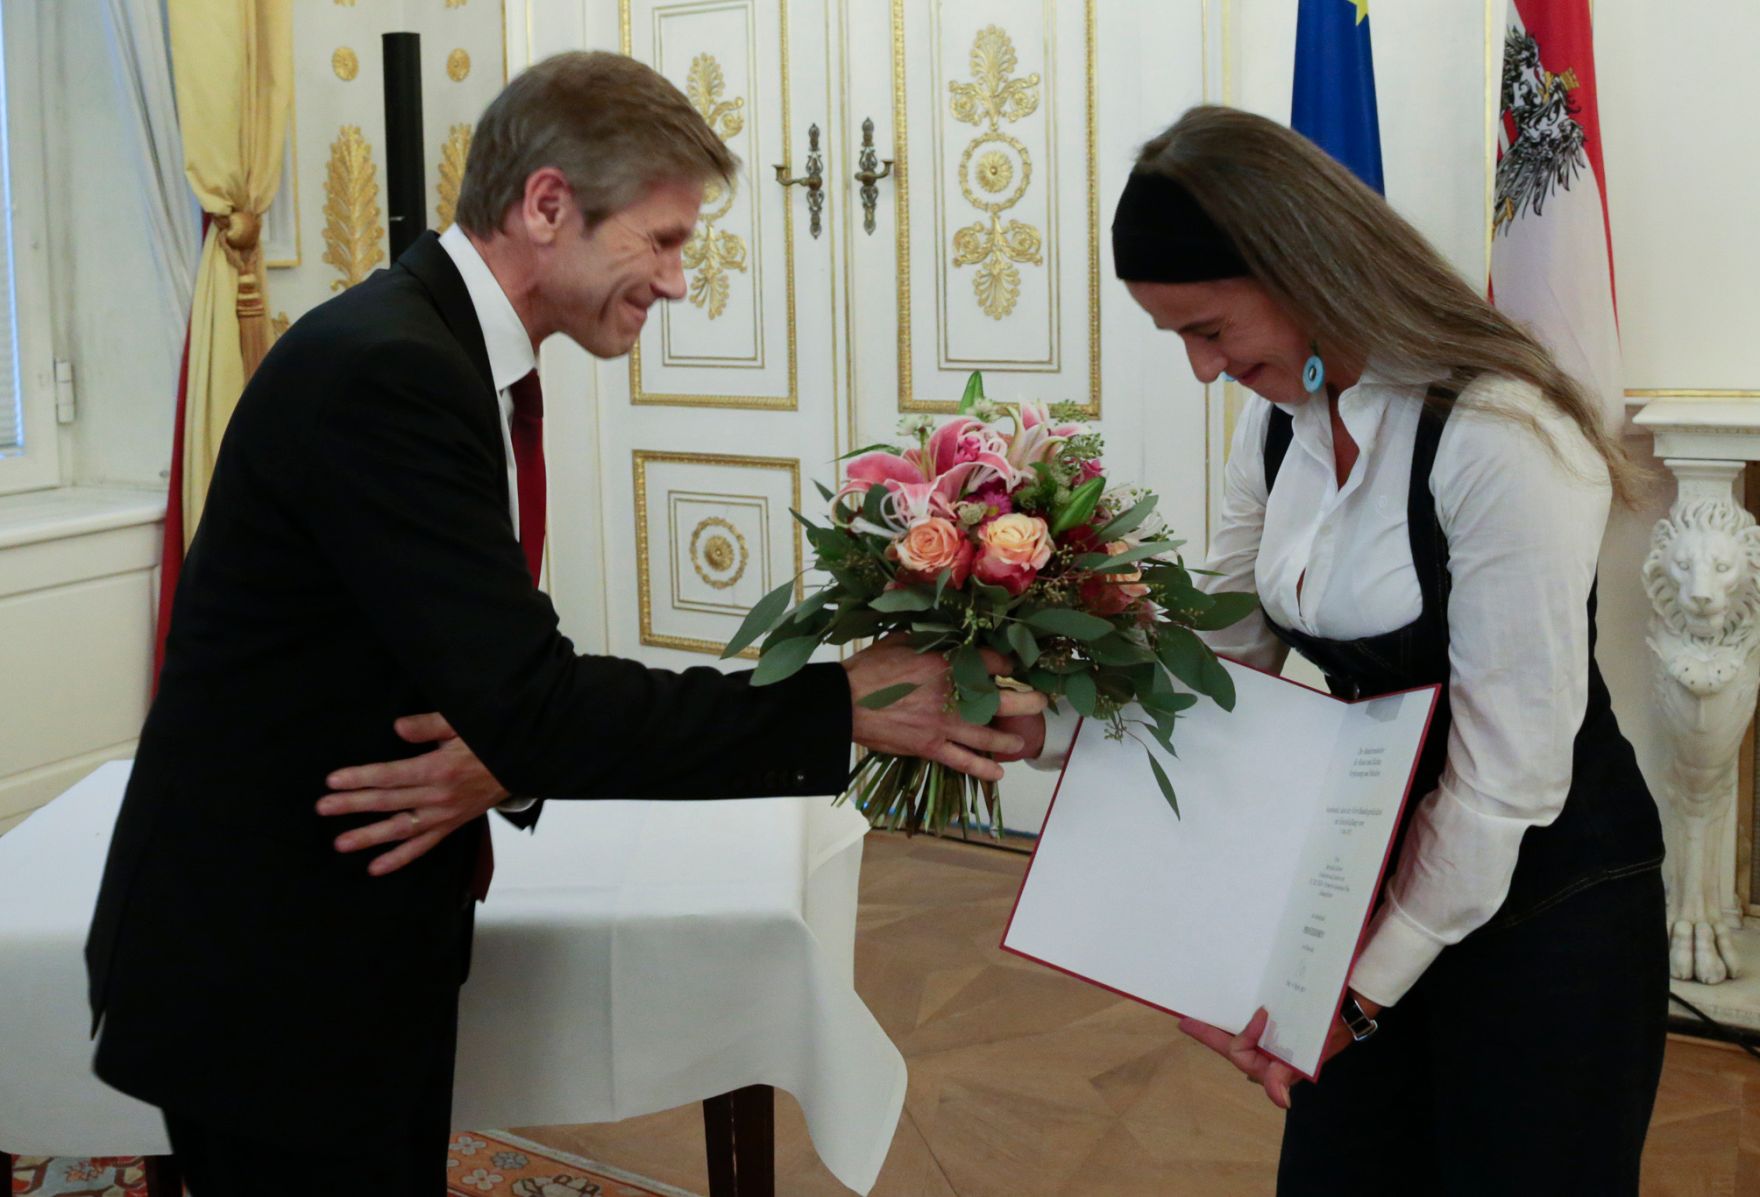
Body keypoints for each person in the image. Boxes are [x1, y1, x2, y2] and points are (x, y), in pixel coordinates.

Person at [85, 51, 1041, 1197]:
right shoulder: (389, 373)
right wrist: (845, 701)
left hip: (326, 942)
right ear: (546, 206)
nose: (681, 282)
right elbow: (530, 698)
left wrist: (509, 746)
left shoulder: (426, 349)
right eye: (666, 239)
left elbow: (482, 682)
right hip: (267, 965)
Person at [1013, 105, 1668, 1194]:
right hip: (1367, 884)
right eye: (1176, 337)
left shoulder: (1504, 434)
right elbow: (1216, 666)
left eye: (1209, 331)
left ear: (1300, 266)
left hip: (1550, 909)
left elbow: (1506, 778)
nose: (1200, 368)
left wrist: (1357, 990)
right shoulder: (1275, 422)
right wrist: (1047, 723)